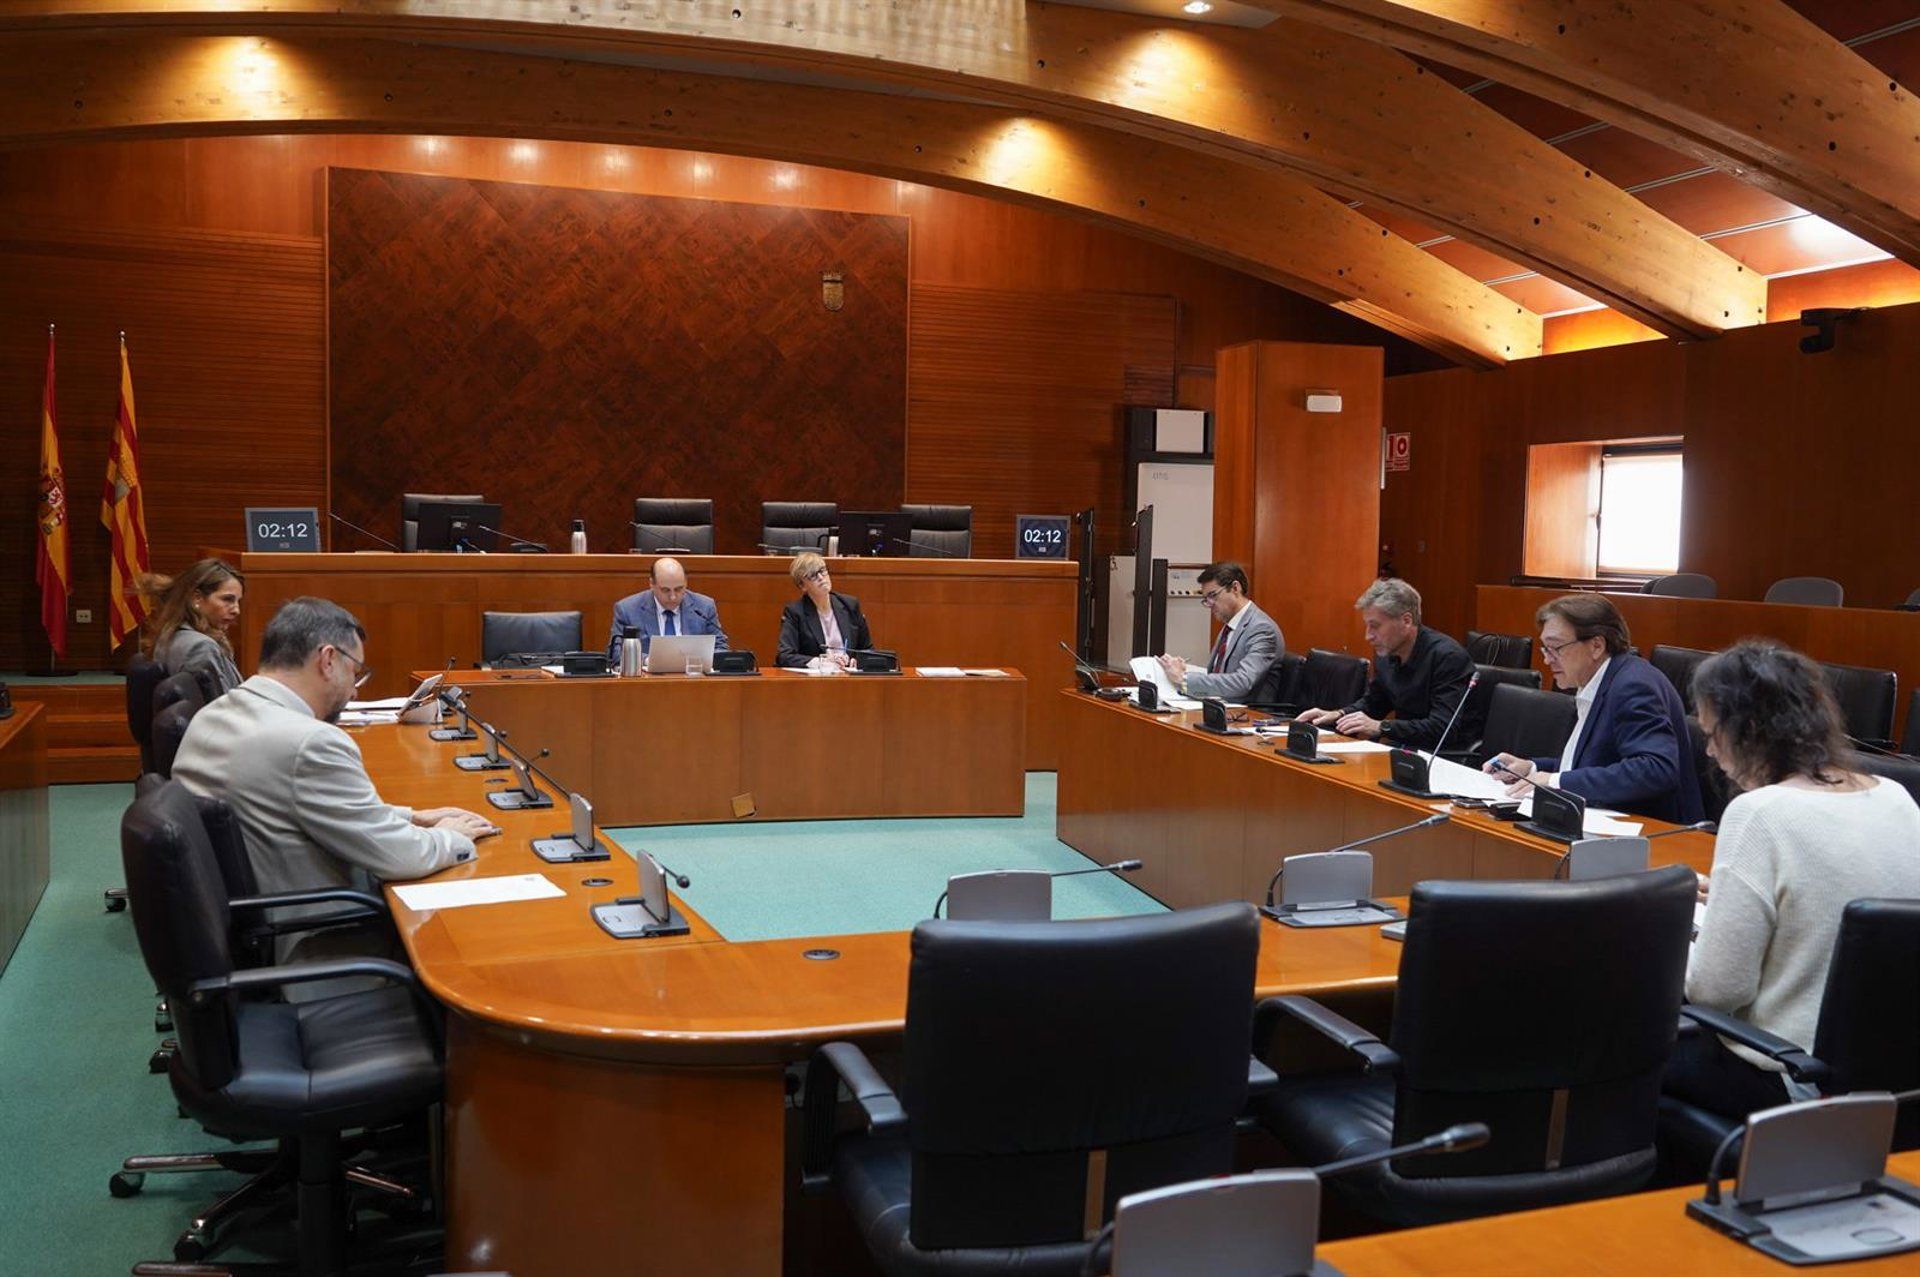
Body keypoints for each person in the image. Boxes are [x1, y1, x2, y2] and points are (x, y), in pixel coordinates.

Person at [172, 597, 496, 976]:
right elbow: (398, 857)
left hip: (248, 932)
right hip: (316, 943)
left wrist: (412, 816)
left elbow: (293, 802)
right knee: (473, 946)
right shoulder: (309, 742)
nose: (354, 691)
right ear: (328, 660)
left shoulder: (213, 714)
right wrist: (452, 837)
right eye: (355, 671)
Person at [1672, 640, 1920, 1119]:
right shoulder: (1897, 796)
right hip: (1895, 1077)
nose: (1709, 749)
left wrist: (1668, 935)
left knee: (1620, 1048)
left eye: (1712, 733)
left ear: (1746, 730)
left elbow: (1717, 992)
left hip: (1793, 1076)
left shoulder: (1759, 813)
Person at [1483, 593, 1702, 823]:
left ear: (1597, 645)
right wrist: (1531, 769)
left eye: (1556, 648)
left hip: (1653, 831)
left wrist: (1555, 781)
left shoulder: (1633, 685)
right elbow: (1591, 764)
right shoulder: (1600, 681)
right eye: (1545, 649)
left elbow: (1656, 769)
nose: (1547, 660)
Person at [1298, 578, 1476, 749]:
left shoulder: (1448, 657)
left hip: (1445, 756)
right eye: (1367, 626)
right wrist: (1338, 714)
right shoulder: (1387, 652)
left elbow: (1443, 728)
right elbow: (1374, 703)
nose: (1368, 636)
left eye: (1375, 626)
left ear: (1406, 621)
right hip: (1404, 749)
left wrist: (1382, 727)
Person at [1156, 562, 1283, 701]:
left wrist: (1184, 679)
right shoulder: (1230, 625)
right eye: (1206, 599)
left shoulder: (1262, 628)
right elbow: (1218, 675)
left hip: (1247, 711)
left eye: (1213, 595)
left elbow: (1243, 682)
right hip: (1220, 705)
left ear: (1235, 588)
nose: (1209, 604)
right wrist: (1184, 671)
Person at [139, 558, 246, 695]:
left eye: (238, 601)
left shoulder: (170, 635)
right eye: (227, 599)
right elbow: (220, 705)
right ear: (197, 598)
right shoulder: (201, 647)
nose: (236, 610)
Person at [606, 556, 730, 661]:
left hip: (693, 679)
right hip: (649, 680)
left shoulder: (704, 607)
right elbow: (616, 654)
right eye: (665, 590)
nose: (673, 597)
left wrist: (696, 661)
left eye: (679, 589)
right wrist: (649, 661)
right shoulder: (627, 609)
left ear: (686, 583)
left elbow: (721, 648)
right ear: (651, 584)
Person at [777, 552, 872, 671]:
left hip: (848, 676)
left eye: (822, 570)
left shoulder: (850, 605)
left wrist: (859, 660)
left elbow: (868, 649)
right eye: (812, 575)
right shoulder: (795, 612)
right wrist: (822, 662)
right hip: (817, 679)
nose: (821, 578)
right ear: (802, 586)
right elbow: (784, 656)